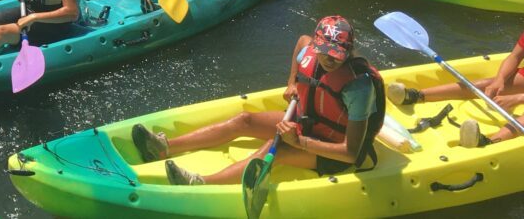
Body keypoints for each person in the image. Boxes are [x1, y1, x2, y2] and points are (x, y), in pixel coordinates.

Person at [132, 16, 384, 186]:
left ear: (349, 51)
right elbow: (301, 42)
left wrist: (301, 142)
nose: (330, 60)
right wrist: (292, 81)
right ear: (318, 45)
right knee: (244, 120)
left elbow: (351, 153)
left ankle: (202, 182)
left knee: (276, 149)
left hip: (333, 150)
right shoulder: (311, 49)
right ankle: (165, 147)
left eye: (337, 55)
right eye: (325, 52)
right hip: (308, 123)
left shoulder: (357, 87)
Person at [388, 0, 524, 149]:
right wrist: (500, 79)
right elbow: (516, 55)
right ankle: (415, 96)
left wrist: (518, 99)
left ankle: (491, 141)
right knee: (486, 84)